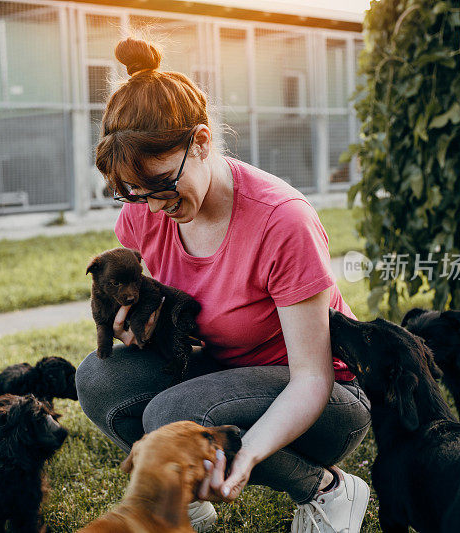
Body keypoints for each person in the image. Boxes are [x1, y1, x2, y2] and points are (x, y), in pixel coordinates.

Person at [76, 37, 371, 533]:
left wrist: (248, 455)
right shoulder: (144, 215)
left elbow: (312, 378)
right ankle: (189, 495)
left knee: (175, 412)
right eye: (134, 192)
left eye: (164, 184)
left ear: (203, 142)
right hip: (218, 377)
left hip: (326, 400)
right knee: (99, 377)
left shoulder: (282, 221)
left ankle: (327, 489)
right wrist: (140, 330)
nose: (153, 207)